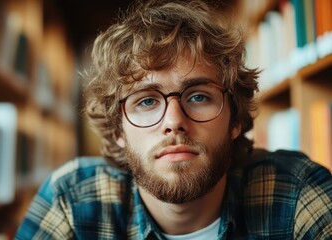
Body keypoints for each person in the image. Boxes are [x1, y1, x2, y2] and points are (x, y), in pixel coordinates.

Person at [16, 0, 332, 239]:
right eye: (147, 101)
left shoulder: (297, 193)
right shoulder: (72, 199)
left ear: (235, 119)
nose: (174, 122)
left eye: (198, 97)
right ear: (118, 131)